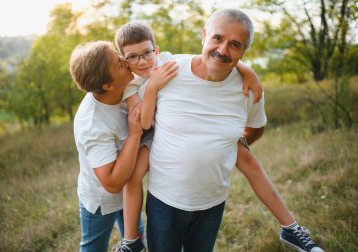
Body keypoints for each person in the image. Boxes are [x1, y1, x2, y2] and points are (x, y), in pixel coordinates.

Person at [143, 9, 324, 252]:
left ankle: (291, 228)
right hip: (165, 201)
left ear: (243, 52)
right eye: (218, 38)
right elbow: (128, 65)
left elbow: (257, 128)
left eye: (235, 45)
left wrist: (231, 146)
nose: (223, 49)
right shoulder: (167, 68)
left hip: (211, 203)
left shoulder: (248, 89)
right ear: (205, 35)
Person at [112, 21, 264, 252]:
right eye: (133, 57)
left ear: (157, 50)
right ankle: (131, 240)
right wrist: (152, 87)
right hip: (145, 137)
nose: (142, 61)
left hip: (168, 135)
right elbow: (144, 123)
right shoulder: (130, 85)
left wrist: (246, 69)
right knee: (133, 177)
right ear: (124, 60)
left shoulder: (166, 63)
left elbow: (209, 56)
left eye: (147, 53)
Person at [69, 41, 145, 251]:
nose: (125, 60)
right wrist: (135, 133)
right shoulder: (92, 125)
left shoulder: (125, 86)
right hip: (101, 201)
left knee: (136, 246)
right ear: (108, 85)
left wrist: (244, 70)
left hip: (130, 193)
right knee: (93, 248)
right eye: (119, 63)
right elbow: (111, 184)